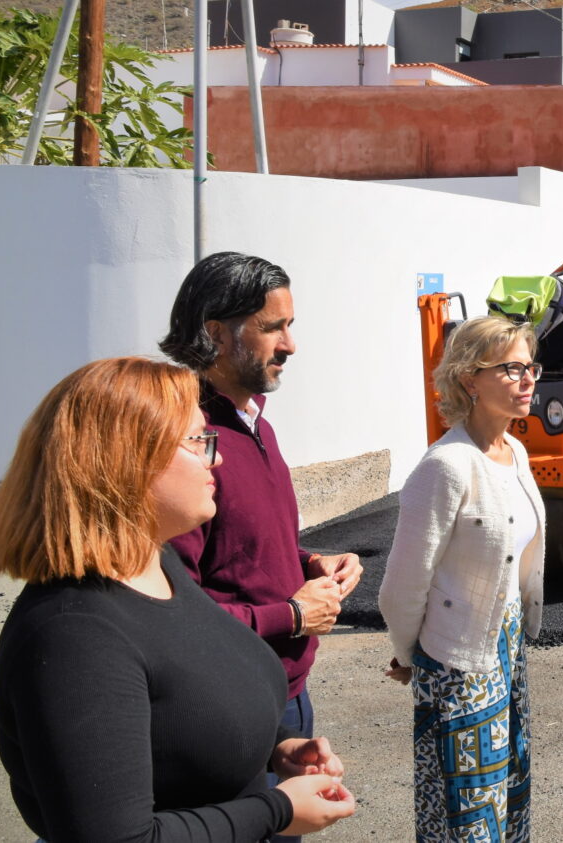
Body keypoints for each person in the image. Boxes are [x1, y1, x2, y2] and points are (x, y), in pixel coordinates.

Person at [0, 357, 356, 842]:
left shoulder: (160, 566)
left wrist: (276, 749)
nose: (216, 458)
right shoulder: (73, 632)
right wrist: (277, 810)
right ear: (126, 460)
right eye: (198, 441)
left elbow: (179, 718)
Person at [159, 251, 363, 835]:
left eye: (289, 325)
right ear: (215, 332)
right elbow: (178, 611)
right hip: (221, 701)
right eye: (272, 327)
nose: (290, 343)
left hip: (284, 698)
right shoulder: (187, 444)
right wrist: (294, 614)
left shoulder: (256, 423)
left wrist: (308, 562)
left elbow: (244, 550)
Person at [379, 316, 547, 842]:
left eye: (531, 367)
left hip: (506, 650)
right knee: (464, 809)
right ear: (470, 379)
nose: (528, 380)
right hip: (458, 667)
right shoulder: (446, 467)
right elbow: (404, 583)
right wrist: (411, 657)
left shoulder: (514, 452)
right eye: (512, 368)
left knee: (507, 791)